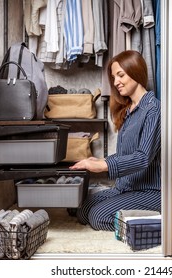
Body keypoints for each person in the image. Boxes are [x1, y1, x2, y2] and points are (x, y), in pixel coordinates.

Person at [69, 50, 161, 231]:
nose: (116, 82)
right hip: (126, 187)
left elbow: (142, 158)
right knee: (80, 209)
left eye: (121, 75)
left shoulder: (154, 109)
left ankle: (160, 226)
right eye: (114, 77)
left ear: (136, 72)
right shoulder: (129, 110)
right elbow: (125, 154)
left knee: (97, 216)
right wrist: (102, 160)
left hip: (150, 191)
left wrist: (104, 166)